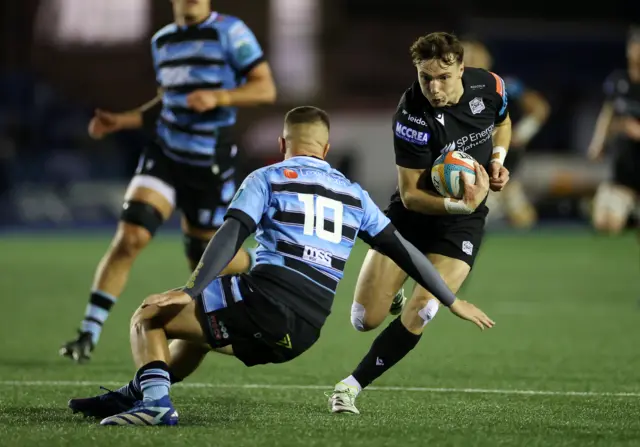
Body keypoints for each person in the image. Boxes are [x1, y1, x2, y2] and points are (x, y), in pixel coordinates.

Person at [67, 106, 494, 426]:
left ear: (281, 144)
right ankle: (139, 390)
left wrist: (190, 289)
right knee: (199, 332)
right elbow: (406, 252)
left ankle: (156, 405)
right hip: (303, 332)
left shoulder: (267, 177)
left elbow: (229, 235)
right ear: (326, 150)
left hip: (265, 303)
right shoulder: (355, 194)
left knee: (150, 315)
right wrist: (451, 300)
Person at [60, 0, 276, 363]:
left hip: (208, 163)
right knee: (131, 236)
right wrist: (125, 120)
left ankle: (258, 262)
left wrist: (220, 96)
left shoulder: (231, 32)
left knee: (206, 258)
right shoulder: (162, 40)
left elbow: (265, 88)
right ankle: (88, 333)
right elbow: (167, 101)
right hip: (165, 153)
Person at [328, 31, 510, 414]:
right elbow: (411, 195)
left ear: (462, 68)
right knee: (364, 320)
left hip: (461, 225)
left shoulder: (490, 87)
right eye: (425, 77)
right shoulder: (411, 113)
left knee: (424, 306)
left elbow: (503, 122)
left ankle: (350, 386)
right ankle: (392, 288)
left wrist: (497, 159)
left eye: (443, 77)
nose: (433, 87)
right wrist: (462, 203)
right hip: (414, 217)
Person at [461, 38, 550, 229]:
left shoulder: (504, 86)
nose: (468, 62)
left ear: (486, 60)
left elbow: (540, 108)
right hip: (469, 173)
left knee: (524, 222)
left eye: (473, 56)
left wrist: (522, 133)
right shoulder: (451, 91)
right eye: (464, 57)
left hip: (506, 171)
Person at [587, 26, 640, 235]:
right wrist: (598, 142)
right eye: (634, 45)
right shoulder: (619, 81)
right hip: (624, 176)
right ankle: (628, 211)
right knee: (605, 225)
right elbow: (607, 113)